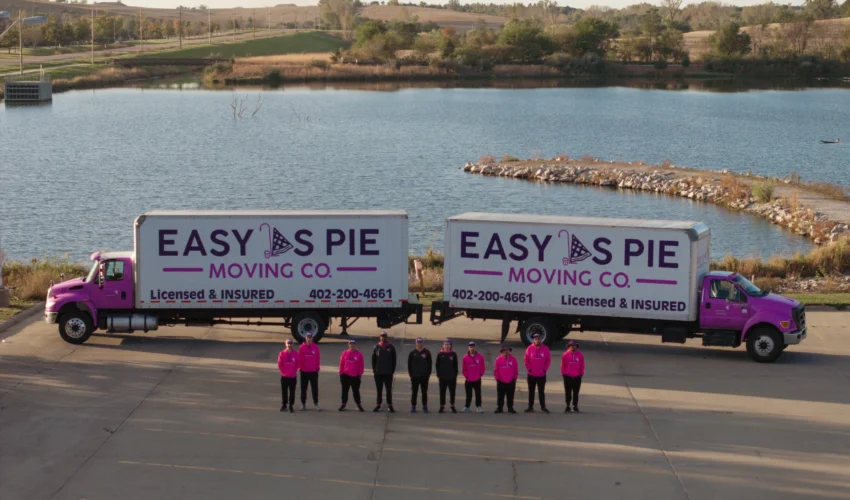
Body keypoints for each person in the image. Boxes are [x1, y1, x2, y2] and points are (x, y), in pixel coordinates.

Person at [523, 333, 551, 413]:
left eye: (539, 339)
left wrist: (544, 370)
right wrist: (529, 369)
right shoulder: (529, 348)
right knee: (531, 391)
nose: (537, 340)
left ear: (541, 339)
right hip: (531, 374)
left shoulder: (545, 349)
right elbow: (526, 360)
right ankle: (530, 407)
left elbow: (548, 361)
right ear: (533, 339)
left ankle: (543, 407)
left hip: (541, 375)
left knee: (541, 391)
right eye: (536, 339)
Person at [372, 331, 397, 412]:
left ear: (386, 337)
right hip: (378, 373)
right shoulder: (376, 347)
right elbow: (373, 360)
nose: (383, 337)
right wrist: (374, 370)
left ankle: (390, 405)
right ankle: (378, 404)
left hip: (388, 373)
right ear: (380, 337)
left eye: (384, 336)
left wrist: (392, 371)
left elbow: (394, 360)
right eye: (382, 336)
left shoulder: (391, 347)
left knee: (388, 390)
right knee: (379, 390)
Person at [408, 337, 433, 413]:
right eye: (418, 342)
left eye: (421, 342)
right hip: (415, 376)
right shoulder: (412, 353)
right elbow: (409, 365)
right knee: (414, 392)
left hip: (424, 376)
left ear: (423, 343)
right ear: (416, 343)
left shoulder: (427, 352)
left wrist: (428, 374)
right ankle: (413, 406)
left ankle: (424, 406)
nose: (419, 344)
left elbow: (430, 364)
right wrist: (411, 374)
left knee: (424, 392)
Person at [339, 339, 365, 412]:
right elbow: (341, 364)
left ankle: (358, 404)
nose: (352, 345)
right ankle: (343, 404)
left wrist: (359, 374)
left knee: (356, 391)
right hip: (345, 375)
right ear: (348, 345)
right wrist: (341, 373)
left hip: (355, 376)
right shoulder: (344, 353)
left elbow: (361, 365)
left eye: (353, 344)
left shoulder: (359, 354)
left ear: (355, 345)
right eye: (350, 344)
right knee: (344, 391)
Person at [561, 340, 586, 413]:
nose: (573, 347)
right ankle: (567, 406)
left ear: (576, 346)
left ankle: (575, 406)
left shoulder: (580, 355)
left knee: (576, 393)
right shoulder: (565, 355)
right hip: (567, 377)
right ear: (569, 347)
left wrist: (581, 374)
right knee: (568, 392)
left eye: (574, 345)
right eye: (571, 346)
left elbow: (582, 365)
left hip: (577, 377)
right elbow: (563, 366)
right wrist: (564, 374)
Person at [435, 339, 459, 413]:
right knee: (442, 392)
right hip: (442, 377)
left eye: (448, 344)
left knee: (452, 393)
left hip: (452, 377)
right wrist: (438, 375)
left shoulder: (453, 354)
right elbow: (437, 365)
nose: (447, 346)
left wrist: (455, 375)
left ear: (450, 346)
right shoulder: (440, 354)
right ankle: (442, 406)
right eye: (445, 344)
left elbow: (456, 366)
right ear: (443, 345)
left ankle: (452, 406)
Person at [298, 332, 321, 411]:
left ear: (312, 338)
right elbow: (300, 359)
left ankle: (316, 403)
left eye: (310, 337)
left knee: (315, 388)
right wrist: (300, 368)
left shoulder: (316, 347)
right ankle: (303, 404)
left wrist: (317, 368)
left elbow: (318, 359)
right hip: (304, 372)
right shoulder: (301, 348)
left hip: (313, 372)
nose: (309, 339)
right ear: (305, 338)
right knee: (303, 388)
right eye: (308, 337)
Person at [493, 345, 518, 414]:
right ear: (502, 351)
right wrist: (497, 379)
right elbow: (496, 370)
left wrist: (514, 378)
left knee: (510, 396)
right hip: (501, 381)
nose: (506, 352)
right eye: (504, 350)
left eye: (507, 350)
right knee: (500, 396)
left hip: (511, 381)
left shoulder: (513, 359)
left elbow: (515, 370)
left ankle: (510, 407)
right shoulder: (498, 359)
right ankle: (499, 408)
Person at [462, 341, 486, 413]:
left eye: (473, 347)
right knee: (468, 395)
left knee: (478, 394)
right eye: (470, 347)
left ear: (475, 347)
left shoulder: (480, 357)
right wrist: (467, 376)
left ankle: (478, 407)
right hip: (469, 380)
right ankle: (467, 407)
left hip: (477, 379)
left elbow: (483, 367)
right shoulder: (465, 357)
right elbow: (464, 369)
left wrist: (480, 374)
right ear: (468, 348)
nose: (472, 348)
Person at [278, 339, 299, 413]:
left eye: (290, 343)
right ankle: (284, 405)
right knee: (284, 392)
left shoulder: (296, 354)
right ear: (285, 344)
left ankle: (291, 406)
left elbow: (297, 364)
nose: (289, 345)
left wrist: (293, 371)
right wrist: (284, 372)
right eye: (288, 343)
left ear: (292, 344)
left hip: (293, 376)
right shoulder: (282, 354)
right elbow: (280, 365)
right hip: (284, 376)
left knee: (292, 392)